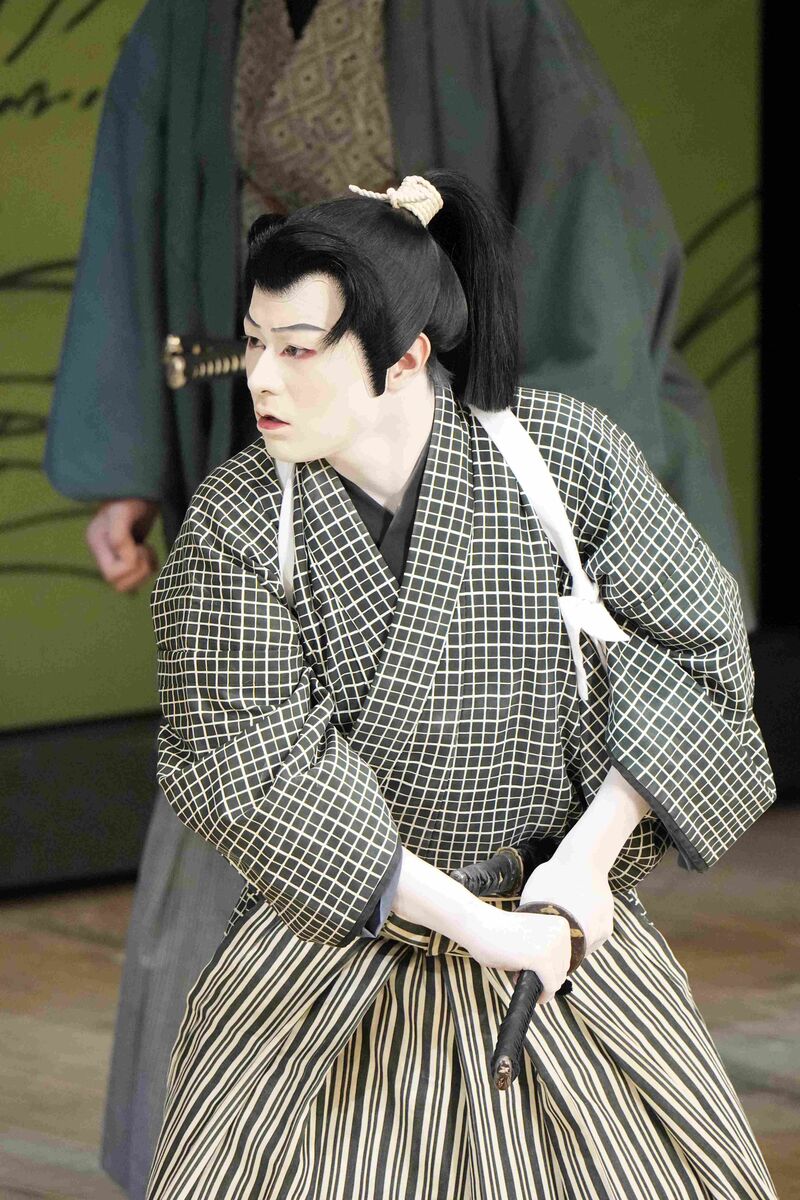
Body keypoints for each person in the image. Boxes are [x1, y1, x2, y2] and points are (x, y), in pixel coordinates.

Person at [42, 3, 755, 1193]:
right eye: (252, 345)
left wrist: (578, 868)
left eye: (286, 347)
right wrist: (128, 457)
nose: (259, 372)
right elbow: (251, 770)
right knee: (247, 864)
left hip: (545, 907)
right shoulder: (238, 523)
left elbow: (587, 211)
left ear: (412, 349)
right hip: (331, 930)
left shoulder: (558, 454)